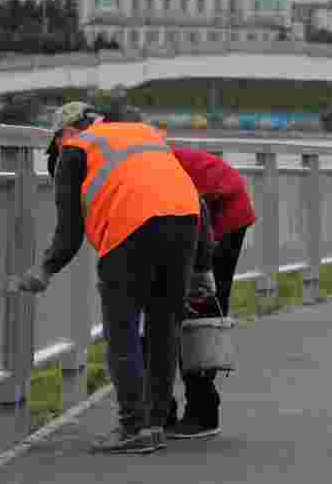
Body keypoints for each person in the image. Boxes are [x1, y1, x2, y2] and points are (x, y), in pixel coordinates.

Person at [16, 102, 213, 455]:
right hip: (184, 222)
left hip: (130, 229)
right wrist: (202, 267)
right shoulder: (145, 135)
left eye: (56, 145)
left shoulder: (76, 149)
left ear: (68, 132)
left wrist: (45, 268)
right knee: (164, 330)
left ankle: (132, 426)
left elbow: (70, 231)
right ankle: (154, 425)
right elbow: (199, 202)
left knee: (122, 331)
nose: (57, 154)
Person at [142, 146, 256, 440]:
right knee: (174, 303)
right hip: (204, 204)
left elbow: (197, 211)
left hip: (222, 210)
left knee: (201, 306)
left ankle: (203, 411)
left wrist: (201, 269)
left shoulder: (147, 168)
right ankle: (163, 409)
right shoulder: (135, 162)